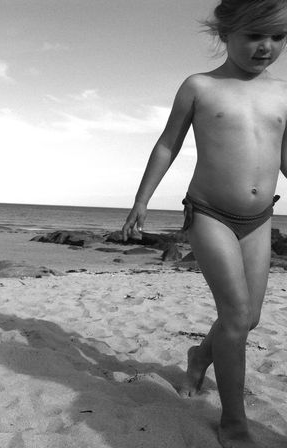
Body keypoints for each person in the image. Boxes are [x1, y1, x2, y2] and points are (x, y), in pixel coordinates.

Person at [122, 1, 287, 446]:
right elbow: (166, 145)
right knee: (234, 316)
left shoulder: (283, 93)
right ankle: (234, 422)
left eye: (278, 38)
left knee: (248, 318)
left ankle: (198, 358)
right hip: (209, 214)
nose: (266, 47)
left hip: (259, 218)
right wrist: (142, 201)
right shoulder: (200, 86)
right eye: (255, 36)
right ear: (224, 32)